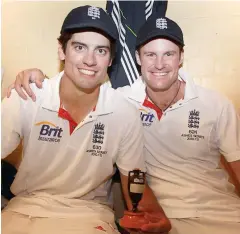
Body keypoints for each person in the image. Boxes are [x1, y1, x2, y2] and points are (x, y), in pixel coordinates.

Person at [7, 14, 240, 234]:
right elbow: (75, 84)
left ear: (181, 57)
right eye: (150, 55)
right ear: (137, 58)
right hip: (157, 213)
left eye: (168, 54)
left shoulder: (214, 104)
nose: (159, 64)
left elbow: (133, 179)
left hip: (221, 211)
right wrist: (38, 81)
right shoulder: (125, 102)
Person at [2, 6, 171, 234]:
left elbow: (134, 182)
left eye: (101, 51)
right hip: (25, 210)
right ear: (62, 50)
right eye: (80, 47)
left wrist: (154, 217)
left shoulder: (124, 112)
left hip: (89, 216)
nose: (90, 60)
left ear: (111, 59)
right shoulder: (27, 96)